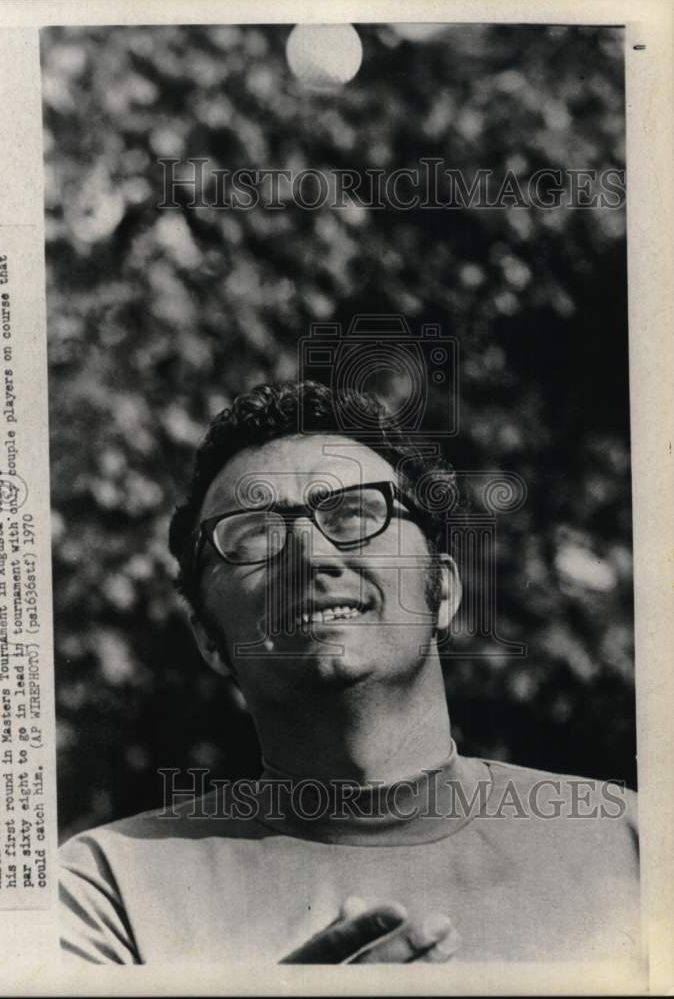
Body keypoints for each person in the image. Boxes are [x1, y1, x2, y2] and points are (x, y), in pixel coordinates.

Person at [59, 380, 639, 965]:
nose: (310, 556)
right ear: (209, 638)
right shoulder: (107, 891)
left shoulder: (632, 846)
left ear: (442, 593)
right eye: (255, 534)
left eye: (356, 513)